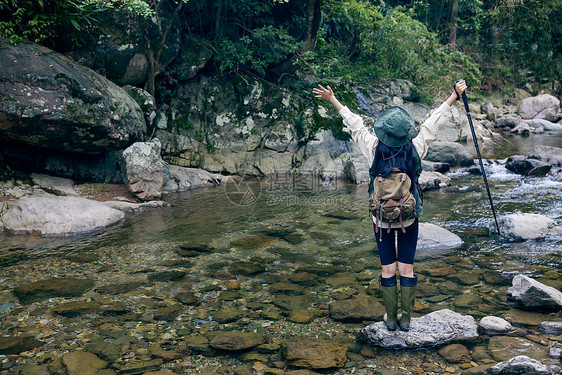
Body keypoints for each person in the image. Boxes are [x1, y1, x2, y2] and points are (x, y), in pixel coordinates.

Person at [313, 79, 467, 331]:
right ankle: (406, 320)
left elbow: (355, 124)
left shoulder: (373, 148)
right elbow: (433, 123)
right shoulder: (415, 148)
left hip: (381, 219)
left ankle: (391, 320)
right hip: (409, 218)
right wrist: (454, 96)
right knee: (406, 267)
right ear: (406, 132)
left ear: (384, 131)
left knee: (388, 269)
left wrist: (332, 99)